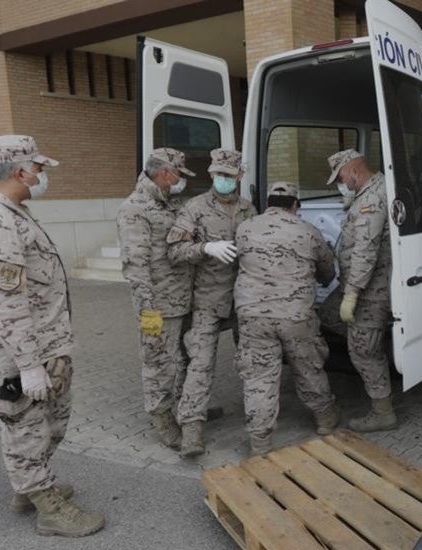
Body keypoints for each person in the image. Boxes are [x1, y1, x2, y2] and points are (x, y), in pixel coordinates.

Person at [0, 135, 105, 538]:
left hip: (44, 343)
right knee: (28, 425)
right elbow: (5, 304)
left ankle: (31, 487)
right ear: (20, 171)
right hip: (25, 350)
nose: (42, 175)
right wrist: (27, 366)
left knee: (51, 423)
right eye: (38, 168)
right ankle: (45, 504)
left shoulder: (12, 212)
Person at [233, 182, 340, 455]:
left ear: (269, 203)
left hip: (253, 314)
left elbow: (238, 264)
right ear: (295, 205)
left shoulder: (245, 228)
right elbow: (327, 271)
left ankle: (260, 441)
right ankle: (325, 420)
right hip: (295, 316)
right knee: (308, 366)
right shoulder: (308, 231)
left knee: (258, 376)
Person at [166, 148, 257, 458]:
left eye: (228, 176)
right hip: (208, 299)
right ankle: (191, 431)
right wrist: (206, 247)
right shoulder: (195, 208)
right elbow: (175, 252)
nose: (222, 181)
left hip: (243, 299)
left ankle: (259, 424)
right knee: (201, 365)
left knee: (252, 363)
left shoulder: (248, 210)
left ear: (239, 177)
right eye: (217, 175)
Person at [117, 148, 196, 450]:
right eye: (179, 174)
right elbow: (135, 266)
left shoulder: (169, 203)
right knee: (159, 363)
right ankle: (162, 419)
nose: (181, 181)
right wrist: (148, 311)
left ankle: (184, 411)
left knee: (183, 359)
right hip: (159, 305)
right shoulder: (136, 209)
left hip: (183, 300)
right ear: (165, 173)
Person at [324, 149, 397, 432]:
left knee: (362, 352)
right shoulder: (369, 192)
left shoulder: (370, 201)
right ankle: (372, 338)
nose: (340, 182)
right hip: (357, 284)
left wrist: (352, 294)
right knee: (328, 314)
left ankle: (383, 412)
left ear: (353, 169)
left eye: (341, 176)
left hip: (369, 289)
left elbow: (366, 252)